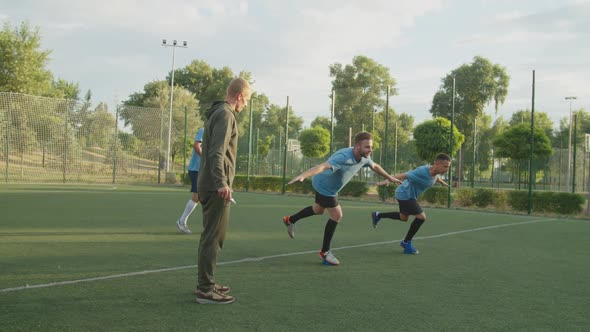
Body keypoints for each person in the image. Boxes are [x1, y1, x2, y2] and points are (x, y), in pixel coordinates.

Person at [283, 131, 402, 266]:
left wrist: (389, 177)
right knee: (337, 215)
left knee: (318, 210)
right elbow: (323, 166)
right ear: (357, 146)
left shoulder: (364, 157)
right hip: (324, 186)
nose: (370, 150)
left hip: (328, 187)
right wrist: (304, 175)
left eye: (371, 147)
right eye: (367, 147)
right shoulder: (344, 156)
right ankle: (325, 252)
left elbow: (374, 166)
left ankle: (290, 219)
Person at [194, 77, 251, 305]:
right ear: (239, 96)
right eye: (246, 100)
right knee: (213, 238)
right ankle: (205, 289)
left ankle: (206, 282)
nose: (246, 105)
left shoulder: (218, 113)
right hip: (215, 186)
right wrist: (222, 183)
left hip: (209, 184)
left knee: (212, 237)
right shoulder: (226, 114)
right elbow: (216, 153)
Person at [371, 153, 451, 254]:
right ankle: (406, 242)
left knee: (403, 218)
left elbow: (436, 178)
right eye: (445, 166)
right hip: (405, 194)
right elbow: (405, 175)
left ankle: (378, 215)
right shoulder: (422, 171)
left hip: (409, 196)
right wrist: (388, 179)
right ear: (437, 163)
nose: (447, 169)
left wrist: (442, 182)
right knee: (421, 217)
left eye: (448, 167)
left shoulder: (435, 174)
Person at [175, 127, 204, 234]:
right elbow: (197, 146)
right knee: (197, 197)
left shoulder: (215, 132)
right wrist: (205, 157)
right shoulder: (203, 130)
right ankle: (181, 221)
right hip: (196, 168)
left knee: (201, 197)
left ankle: (182, 221)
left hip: (203, 170)